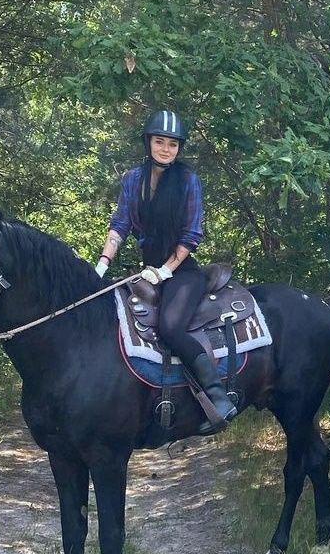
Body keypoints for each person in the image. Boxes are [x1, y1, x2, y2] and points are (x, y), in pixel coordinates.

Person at [96, 110, 238, 431]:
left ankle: (218, 397)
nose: (165, 149)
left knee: (171, 328)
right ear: (148, 143)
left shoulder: (188, 180)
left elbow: (191, 234)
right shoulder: (133, 180)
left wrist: (165, 271)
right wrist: (102, 264)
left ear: (179, 148)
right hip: (147, 269)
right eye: (159, 142)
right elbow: (119, 226)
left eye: (172, 144)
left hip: (182, 271)